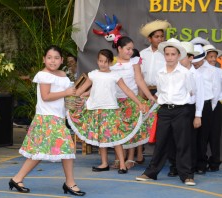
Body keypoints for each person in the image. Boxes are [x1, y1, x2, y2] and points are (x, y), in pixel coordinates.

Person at [9, 45, 85, 196]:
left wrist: (77, 101)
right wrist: (66, 92)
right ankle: (69, 183)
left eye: (56, 58)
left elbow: (67, 97)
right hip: (46, 119)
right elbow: (46, 96)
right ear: (44, 59)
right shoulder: (43, 75)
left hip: (57, 118)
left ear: (62, 60)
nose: (53, 61)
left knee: (42, 152)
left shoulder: (63, 75)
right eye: (49, 58)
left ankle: (17, 179)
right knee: (64, 149)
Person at [67, 49, 145, 174]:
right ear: (97, 61)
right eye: (100, 61)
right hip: (95, 110)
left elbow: (127, 91)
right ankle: (104, 163)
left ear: (110, 62)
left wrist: (139, 103)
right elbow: (81, 89)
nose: (103, 64)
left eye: (106, 61)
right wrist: (69, 98)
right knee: (101, 138)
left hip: (111, 110)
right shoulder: (93, 74)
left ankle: (122, 164)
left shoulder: (115, 75)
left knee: (116, 137)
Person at [136, 38, 196, 186]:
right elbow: (161, 91)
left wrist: (189, 110)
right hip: (164, 111)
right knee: (161, 142)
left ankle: (187, 175)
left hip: (181, 111)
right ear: (164, 55)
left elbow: (192, 92)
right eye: (167, 54)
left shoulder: (185, 73)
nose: (169, 57)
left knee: (183, 143)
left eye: (172, 54)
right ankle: (151, 173)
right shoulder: (160, 72)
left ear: (178, 56)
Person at [111, 36, 157, 169]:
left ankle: (131, 158)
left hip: (132, 101)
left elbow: (139, 81)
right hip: (115, 101)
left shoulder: (135, 62)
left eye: (132, 49)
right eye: (128, 49)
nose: (130, 51)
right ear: (119, 48)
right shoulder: (111, 63)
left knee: (132, 128)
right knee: (118, 129)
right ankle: (119, 158)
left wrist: (150, 96)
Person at [167, 41, 204, 177]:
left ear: (190, 58)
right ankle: (174, 165)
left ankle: (189, 166)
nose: (179, 59)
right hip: (175, 108)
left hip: (190, 108)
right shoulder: (174, 72)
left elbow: (200, 95)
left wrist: (198, 115)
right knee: (173, 138)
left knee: (188, 140)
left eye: (182, 56)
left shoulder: (196, 75)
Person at [191, 44, 221, 174]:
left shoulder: (213, 70)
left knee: (211, 135)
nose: (194, 63)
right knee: (199, 137)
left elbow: (216, 89)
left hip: (209, 105)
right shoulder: (191, 69)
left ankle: (213, 163)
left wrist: (212, 107)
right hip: (194, 105)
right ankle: (200, 163)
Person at [202, 44, 222, 172]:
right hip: (205, 105)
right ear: (204, 58)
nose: (213, 59)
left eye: (215, 57)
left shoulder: (220, 72)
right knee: (202, 135)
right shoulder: (199, 72)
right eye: (210, 57)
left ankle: (215, 162)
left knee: (215, 135)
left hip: (218, 105)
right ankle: (201, 163)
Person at [139, 19, 171, 96]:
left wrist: (157, 94)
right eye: (157, 37)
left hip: (162, 91)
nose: (160, 39)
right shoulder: (142, 54)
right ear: (149, 39)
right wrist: (141, 91)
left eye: (162, 36)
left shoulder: (167, 54)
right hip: (145, 90)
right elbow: (139, 74)